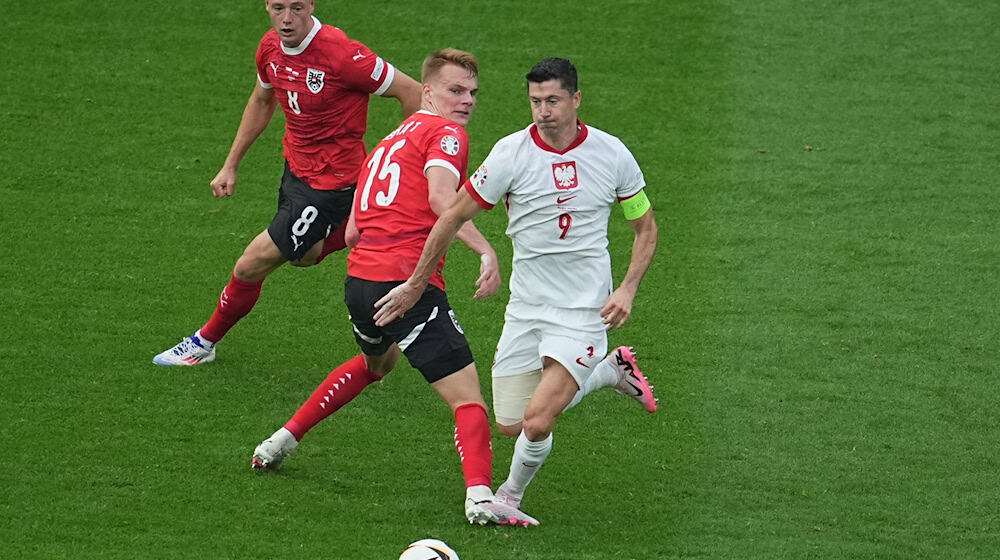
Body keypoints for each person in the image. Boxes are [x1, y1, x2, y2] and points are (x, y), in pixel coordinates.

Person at [251, 49, 537, 527]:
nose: (466, 101)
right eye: (455, 90)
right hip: (406, 285)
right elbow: (443, 199)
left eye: (472, 93)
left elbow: (353, 233)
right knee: (468, 399)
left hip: (360, 284)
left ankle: (280, 440)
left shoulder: (388, 143)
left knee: (377, 364)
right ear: (426, 91)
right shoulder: (445, 133)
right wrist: (485, 250)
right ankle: (481, 498)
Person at [373, 57, 660, 524]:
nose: (542, 112)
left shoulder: (613, 154)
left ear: (575, 99)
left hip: (585, 310)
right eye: (534, 102)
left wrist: (627, 288)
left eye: (552, 101)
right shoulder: (510, 154)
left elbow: (645, 227)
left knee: (537, 420)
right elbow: (452, 215)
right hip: (526, 307)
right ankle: (611, 371)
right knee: (509, 423)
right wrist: (416, 282)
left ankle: (508, 496)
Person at [153, 0, 421, 366]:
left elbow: (414, 93)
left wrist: (400, 162)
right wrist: (230, 165)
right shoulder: (269, 48)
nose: (287, 18)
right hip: (295, 171)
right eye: (278, 8)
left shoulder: (343, 55)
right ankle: (363, 224)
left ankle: (203, 343)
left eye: (297, 7)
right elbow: (262, 101)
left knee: (251, 264)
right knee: (303, 256)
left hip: (330, 186)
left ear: (311, 5)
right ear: (267, 6)